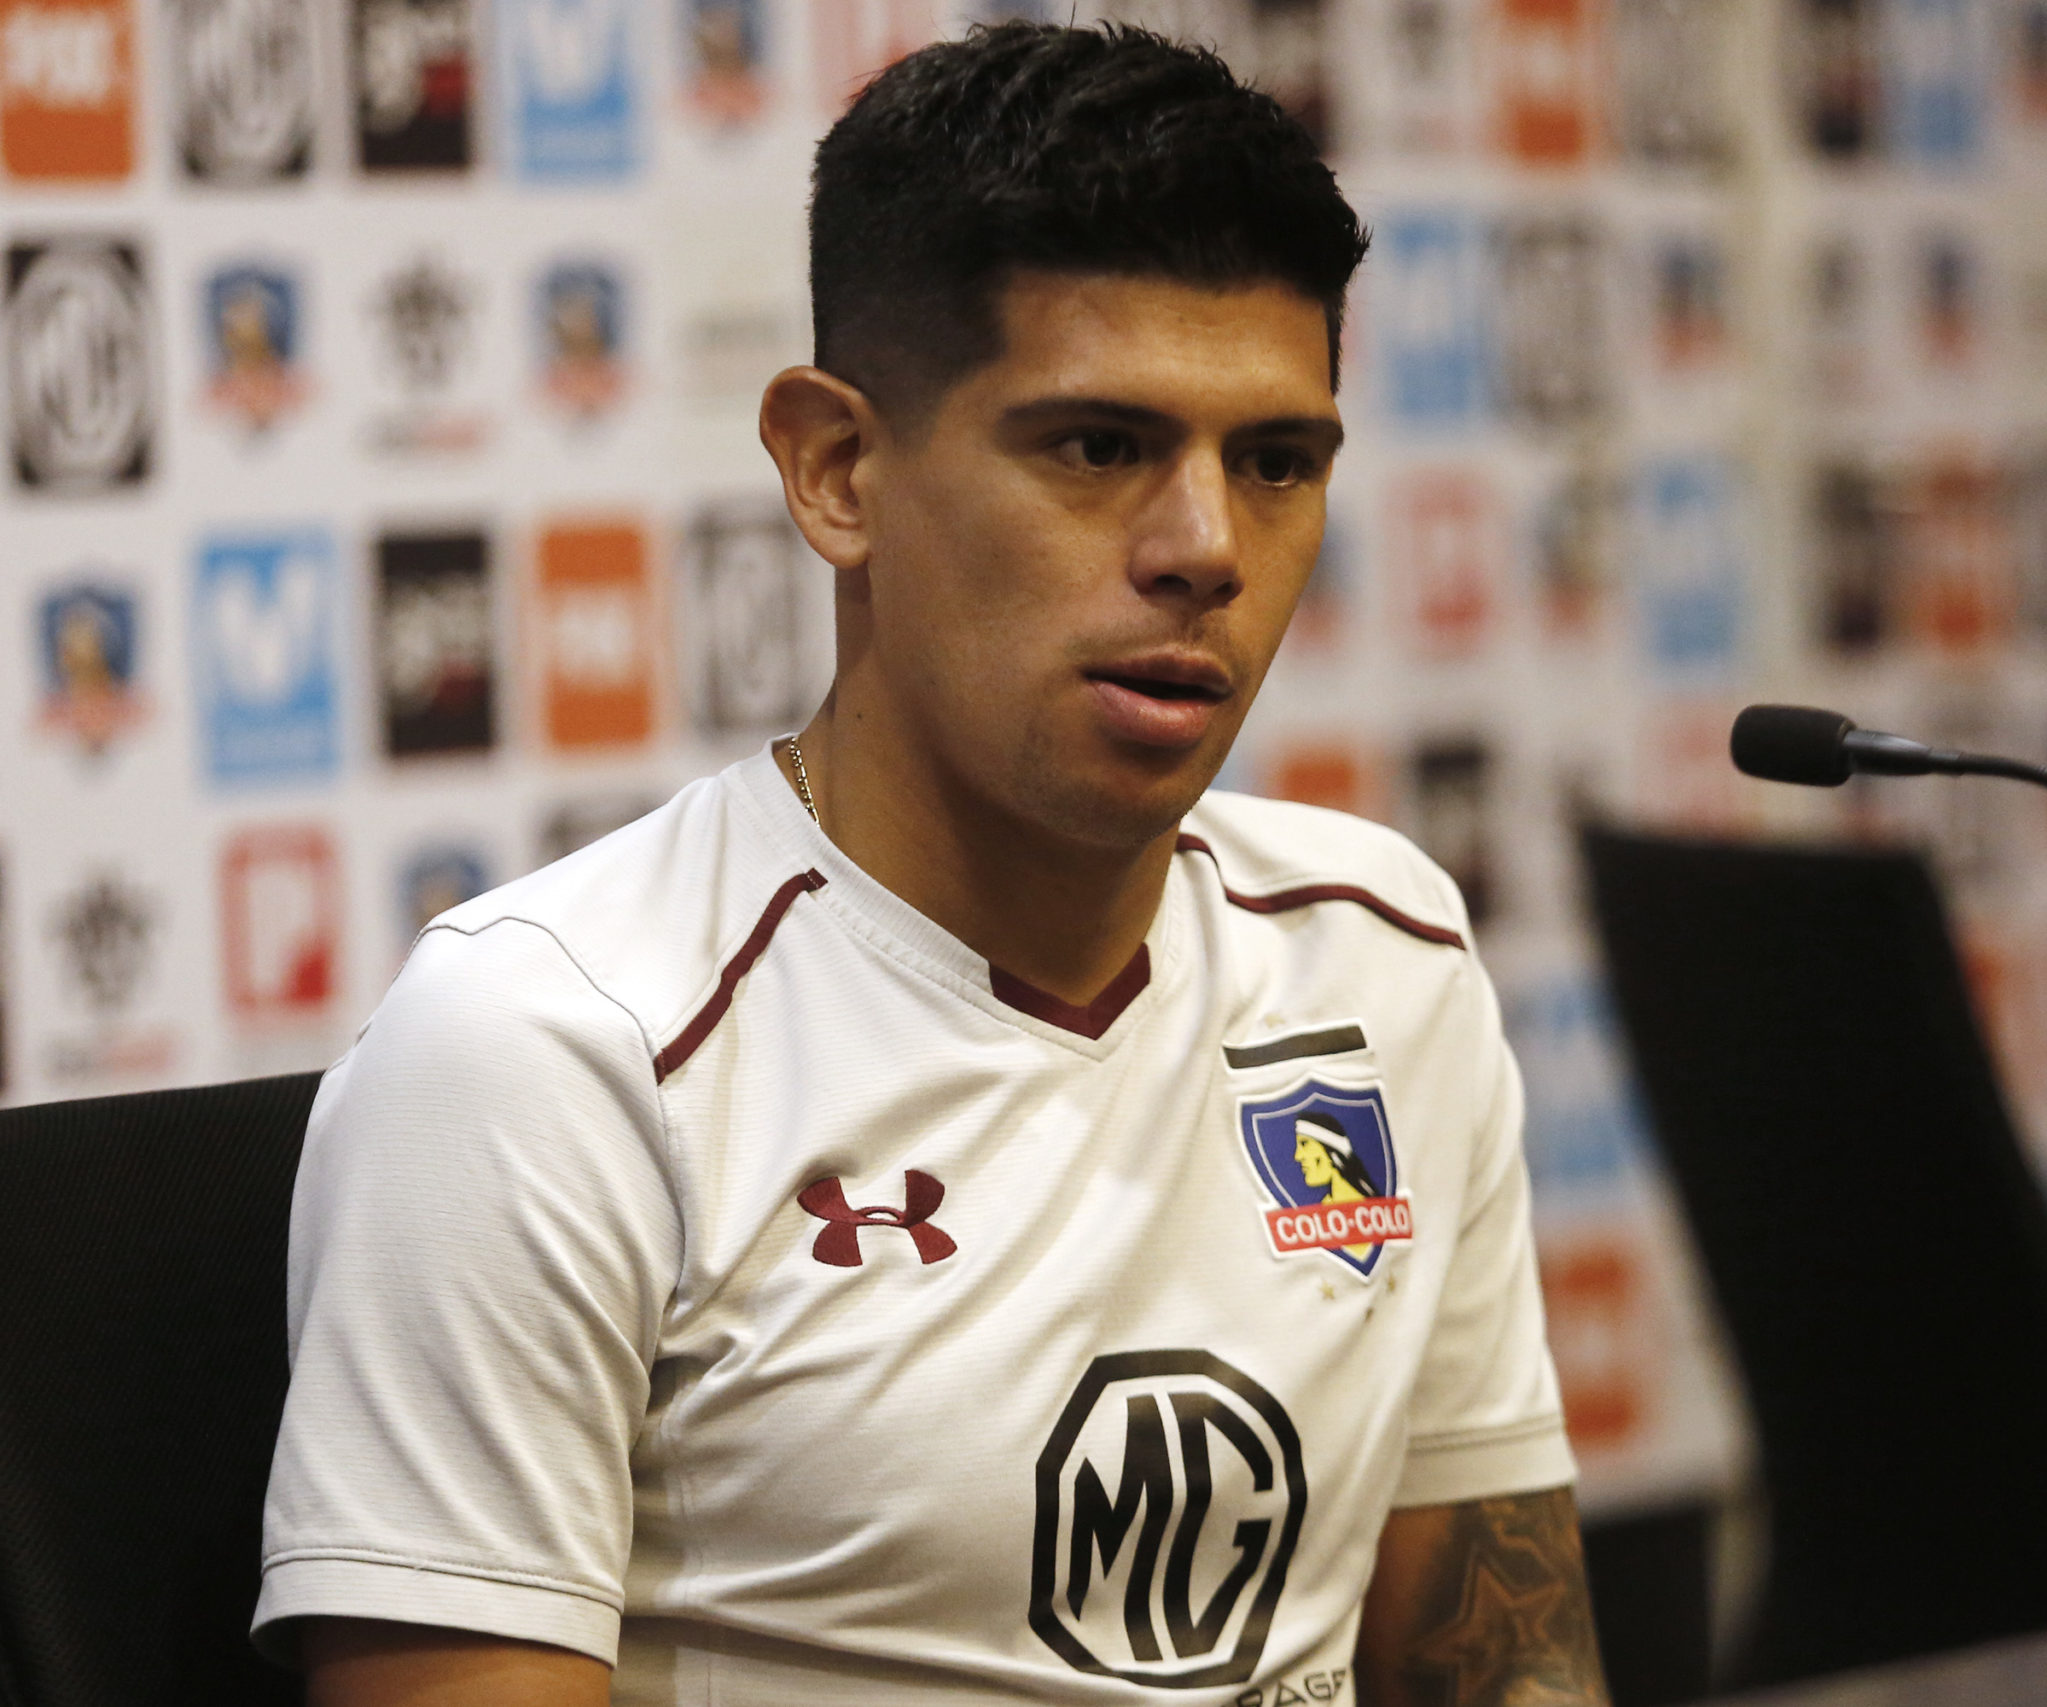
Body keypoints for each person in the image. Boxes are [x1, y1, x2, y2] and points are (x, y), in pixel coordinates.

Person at [256, 23, 1606, 1706]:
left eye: (1276, 463)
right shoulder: (556, 1050)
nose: (1206, 550)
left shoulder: (1384, 951)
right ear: (839, 471)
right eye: (1099, 446)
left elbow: (1510, 1667)